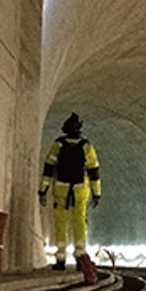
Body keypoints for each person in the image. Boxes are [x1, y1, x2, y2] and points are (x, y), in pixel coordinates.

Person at [39, 111, 101, 270]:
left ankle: (60, 258)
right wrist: (96, 193)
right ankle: (80, 255)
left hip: (61, 187)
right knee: (79, 221)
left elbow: (49, 167)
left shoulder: (58, 144)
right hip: (80, 189)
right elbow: (93, 170)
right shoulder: (86, 146)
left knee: (61, 222)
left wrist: (43, 190)